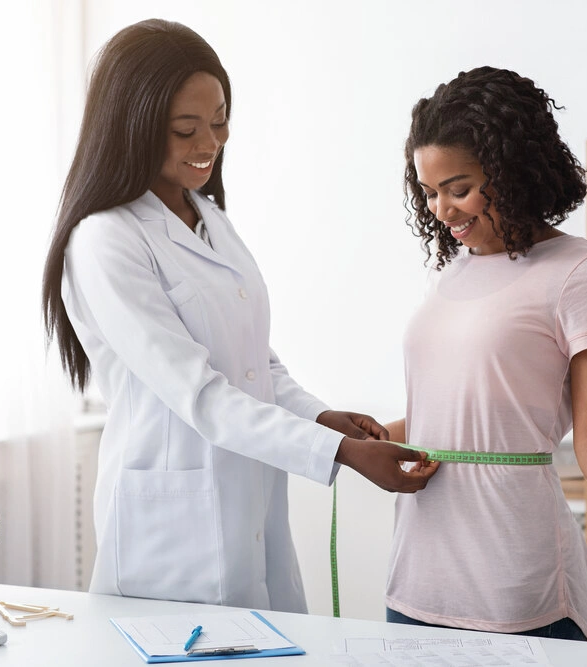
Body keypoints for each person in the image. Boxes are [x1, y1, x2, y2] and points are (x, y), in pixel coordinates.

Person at [40, 18, 438, 613]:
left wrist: (324, 418)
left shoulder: (207, 217)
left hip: (247, 505)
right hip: (170, 540)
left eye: (220, 121)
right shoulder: (105, 241)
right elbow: (199, 393)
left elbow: (253, 362)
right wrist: (341, 455)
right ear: (134, 125)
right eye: (185, 129)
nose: (209, 143)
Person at [382, 66, 587, 641]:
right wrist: (360, 441)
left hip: (515, 584)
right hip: (417, 578)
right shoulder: (450, 275)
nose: (441, 209)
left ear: (511, 173)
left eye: (458, 188)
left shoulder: (582, 275)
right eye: (428, 192)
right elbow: (468, 414)